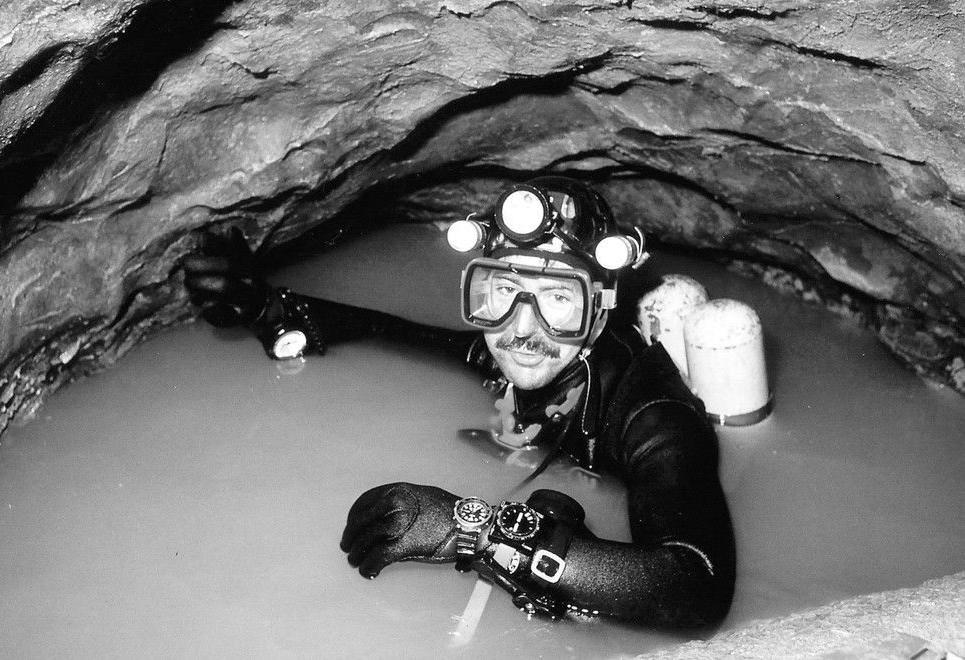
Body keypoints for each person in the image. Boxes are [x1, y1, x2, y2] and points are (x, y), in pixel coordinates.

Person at [182, 176, 736, 627]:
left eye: (559, 299)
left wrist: (474, 531)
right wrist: (264, 306)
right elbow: (393, 331)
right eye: (501, 292)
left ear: (600, 310)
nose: (522, 328)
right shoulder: (510, 357)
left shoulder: (653, 416)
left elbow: (696, 586)